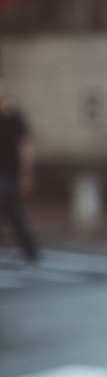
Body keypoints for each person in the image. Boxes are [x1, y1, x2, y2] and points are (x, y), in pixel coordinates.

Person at [0, 80, 39, 262]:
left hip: (9, 173)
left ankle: (30, 251)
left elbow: (24, 148)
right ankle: (30, 251)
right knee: (13, 213)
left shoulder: (14, 118)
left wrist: (26, 175)